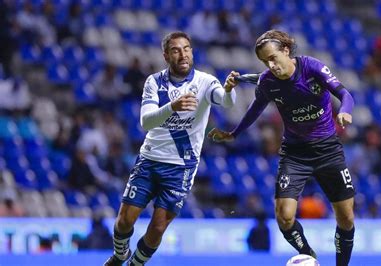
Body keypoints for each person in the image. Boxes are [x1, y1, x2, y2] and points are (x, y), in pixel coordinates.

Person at [208, 30, 355, 266]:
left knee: (346, 218)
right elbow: (255, 109)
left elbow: (344, 93)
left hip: (328, 150)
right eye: (266, 61)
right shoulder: (268, 81)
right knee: (284, 218)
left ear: (286, 51)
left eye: (273, 58)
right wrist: (233, 133)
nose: (271, 65)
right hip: (295, 154)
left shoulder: (312, 67)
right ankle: (310, 256)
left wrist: (345, 111)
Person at [104, 31, 238, 265]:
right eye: (176, 50)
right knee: (125, 221)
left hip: (181, 167)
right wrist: (172, 107)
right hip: (150, 160)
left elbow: (226, 101)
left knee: (157, 227)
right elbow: (146, 122)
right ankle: (119, 254)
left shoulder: (206, 82)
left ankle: (135, 264)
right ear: (166, 55)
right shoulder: (154, 82)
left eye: (187, 49)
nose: (183, 54)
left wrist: (228, 90)